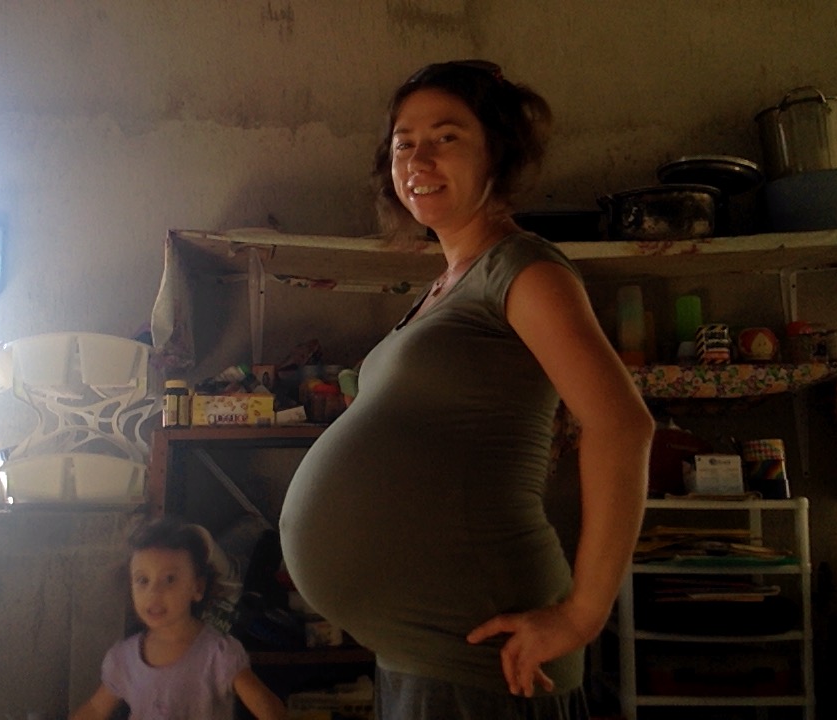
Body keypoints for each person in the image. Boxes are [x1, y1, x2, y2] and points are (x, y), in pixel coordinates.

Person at [279, 59, 653, 719]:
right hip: (421, 650)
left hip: (483, 649)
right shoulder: (446, 286)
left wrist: (583, 614)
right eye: (404, 143)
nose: (419, 158)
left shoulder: (524, 270)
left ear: (496, 156)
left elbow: (622, 425)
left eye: (446, 137)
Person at [70, 517, 286, 720]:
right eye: (143, 580)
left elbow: (270, 710)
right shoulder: (124, 659)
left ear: (197, 588)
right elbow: (95, 710)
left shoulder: (219, 655)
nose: (154, 592)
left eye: (170, 579)